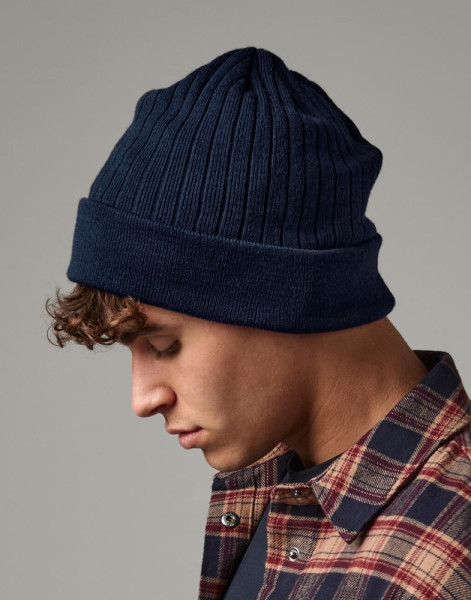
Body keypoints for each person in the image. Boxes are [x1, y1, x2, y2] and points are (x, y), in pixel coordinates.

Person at [46, 47, 471, 599]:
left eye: (165, 345)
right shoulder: (273, 488)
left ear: (286, 298)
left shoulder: (448, 555)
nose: (142, 399)